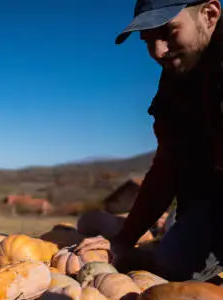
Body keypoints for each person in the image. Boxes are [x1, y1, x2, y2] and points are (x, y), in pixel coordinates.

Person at [78, 0, 223, 281]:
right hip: (211, 196)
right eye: (148, 41)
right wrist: (124, 238)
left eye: (169, 32)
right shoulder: (174, 83)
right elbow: (168, 166)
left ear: (209, 15)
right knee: (175, 262)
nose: (158, 51)